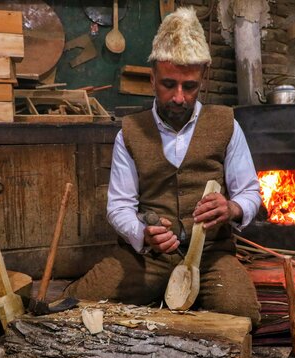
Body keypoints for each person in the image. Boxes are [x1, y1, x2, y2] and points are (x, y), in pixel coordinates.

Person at [64, 7, 261, 329]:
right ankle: (171, 293)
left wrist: (233, 208)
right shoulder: (130, 132)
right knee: (79, 304)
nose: (180, 98)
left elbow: (250, 191)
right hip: (149, 257)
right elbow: (119, 205)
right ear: (152, 77)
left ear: (204, 79)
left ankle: (193, 294)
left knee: (242, 317)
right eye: (169, 84)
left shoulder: (226, 124)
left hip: (211, 254)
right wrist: (142, 233)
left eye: (190, 86)